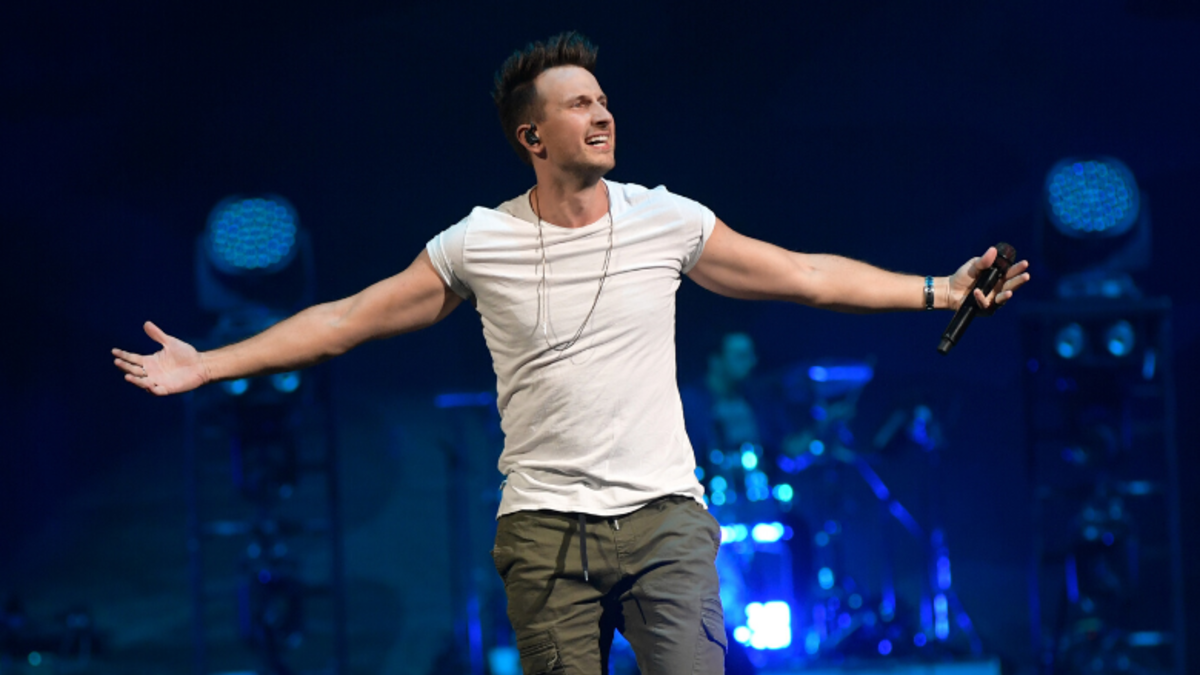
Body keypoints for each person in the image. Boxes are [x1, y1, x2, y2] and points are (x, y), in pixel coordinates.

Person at [113, 32, 1030, 675]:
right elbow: (347, 318)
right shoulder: (477, 242)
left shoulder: (665, 218)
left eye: (603, 99)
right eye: (579, 104)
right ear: (532, 136)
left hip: (665, 520)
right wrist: (210, 363)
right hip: (546, 532)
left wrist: (939, 289)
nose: (602, 113)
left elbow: (802, 275)